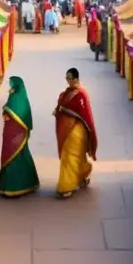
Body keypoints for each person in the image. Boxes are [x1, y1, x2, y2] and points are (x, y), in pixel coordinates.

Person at [54, 68, 98, 198]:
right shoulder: (64, 94)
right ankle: (84, 172)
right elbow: (60, 108)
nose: (68, 81)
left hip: (78, 130)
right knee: (72, 157)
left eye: (70, 78)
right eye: (66, 78)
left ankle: (67, 185)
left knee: (70, 155)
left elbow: (87, 116)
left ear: (76, 79)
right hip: (66, 129)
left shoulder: (82, 94)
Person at [0, 76, 40, 198]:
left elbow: (17, 112)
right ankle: (17, 185)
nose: (10, 86)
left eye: (11, 84)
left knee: (15, 156)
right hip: (10, 133)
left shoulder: (18, 99)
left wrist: (7, 114)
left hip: (16, 134)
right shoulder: (14, 96)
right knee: (17, 155)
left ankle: (16, 186)